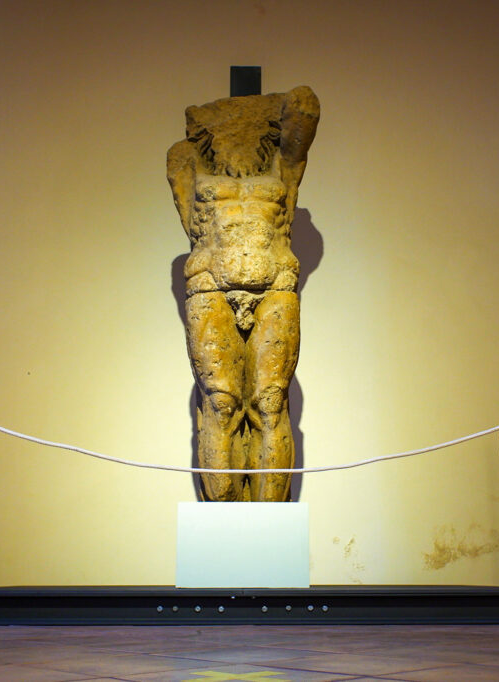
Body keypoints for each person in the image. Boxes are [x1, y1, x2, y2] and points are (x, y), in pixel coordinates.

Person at [167, 86, 319, 501]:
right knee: (220, 402)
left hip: (275, 283)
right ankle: (224, 514)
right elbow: (189, 221)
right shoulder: (186, 158)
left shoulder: (281, 164)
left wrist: (288, 110)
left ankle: (271, 517)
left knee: (271, 401)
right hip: (210, 283)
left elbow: (305, 112)